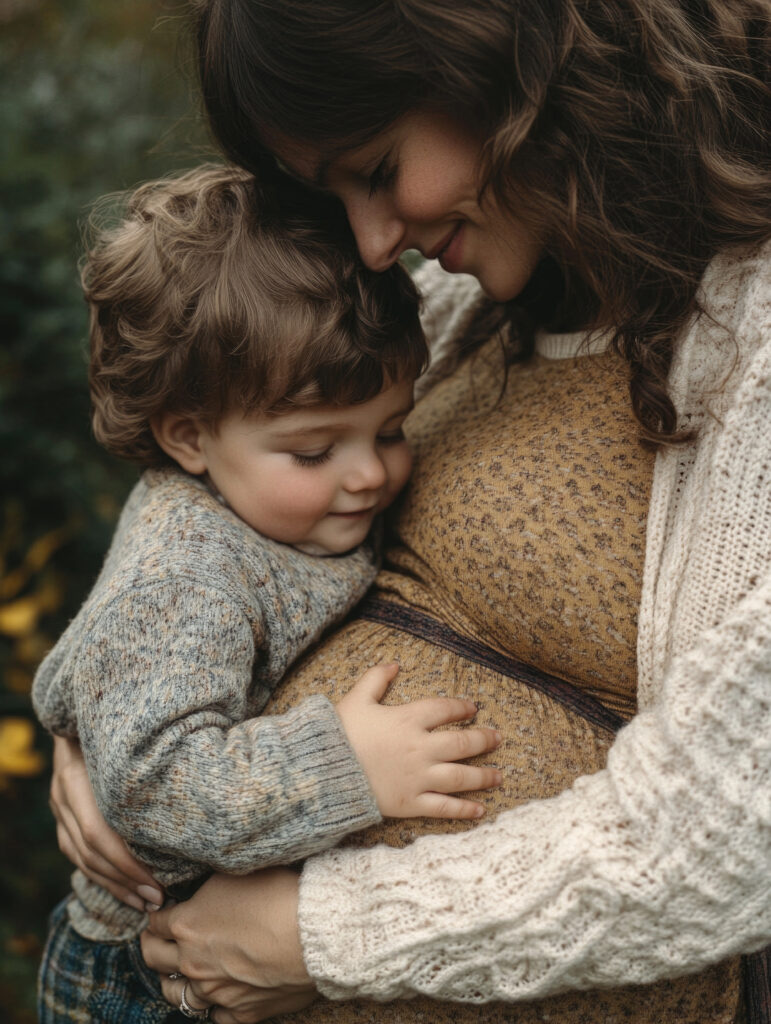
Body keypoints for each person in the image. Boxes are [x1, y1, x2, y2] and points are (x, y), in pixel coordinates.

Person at [47, 0, 771, 1022]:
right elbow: (226, 471)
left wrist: (321, 934)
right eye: (336, 193)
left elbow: (734, 829)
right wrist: (106, 738)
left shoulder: (752, 332)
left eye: (379, 168)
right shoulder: (465, 298)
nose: (376, 245)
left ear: (511, 62)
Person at [31, 163, 504, 1024]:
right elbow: (152, 785)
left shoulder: (257, 488)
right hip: (151, 976)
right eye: (315, 451)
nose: (368, 473)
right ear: (188, 439)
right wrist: (347, 766)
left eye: (391, 429)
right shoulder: (187, 577)